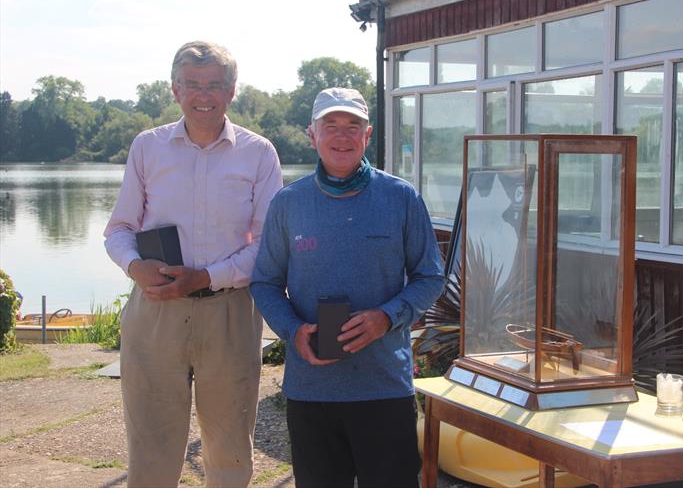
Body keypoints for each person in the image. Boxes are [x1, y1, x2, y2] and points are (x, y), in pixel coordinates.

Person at [104, 41, 283, 488]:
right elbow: (119, 229)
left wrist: (206, 277)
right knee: (150, 445)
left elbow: (267, 245)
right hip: (155, 308)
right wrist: (134, 266)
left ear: (232, 91)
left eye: (215, 85)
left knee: (228, 448)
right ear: (174, 89)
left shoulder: (259, 154)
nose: (204, 95)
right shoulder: (148, 147)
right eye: (193, 85)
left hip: (229, 310)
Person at [250, 87, 445, 488]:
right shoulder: (288, 202)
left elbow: (431, 277)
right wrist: (292, 330)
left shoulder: (401, 198)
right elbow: (265, 283)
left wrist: (386, 317)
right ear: (312, 135)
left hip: (384, 385)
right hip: (312, 390)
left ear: (368, 135)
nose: (342, 136)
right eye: (331, 126)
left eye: (352, 126)